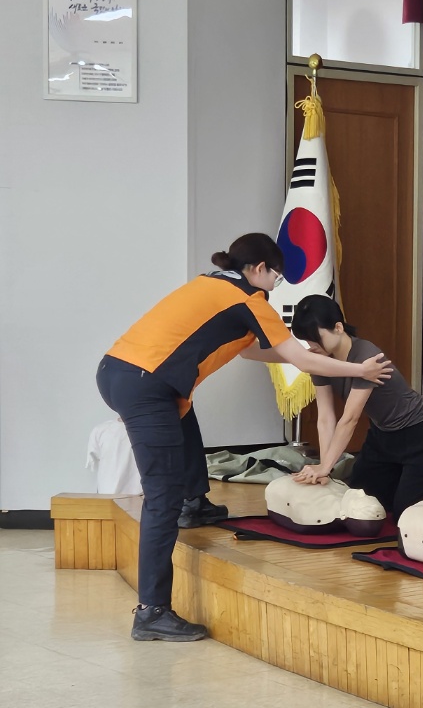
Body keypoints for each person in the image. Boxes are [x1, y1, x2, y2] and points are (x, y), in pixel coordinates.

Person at [97, 233, 393, 642]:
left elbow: (253, 351)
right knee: (161, 498)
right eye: (277, 277)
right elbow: (298, 358)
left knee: (184, 421)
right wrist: (359, 370)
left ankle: (195, 503)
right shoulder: (248, 300)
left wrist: (303, 356)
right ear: (259, 269)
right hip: (147, 386)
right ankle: (152, 611)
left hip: (120, 372)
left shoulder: (212, 283)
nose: (276, 285)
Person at [290, 294, 423, 520]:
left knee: (406, 514)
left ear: (338, 328)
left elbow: (350, 418)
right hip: (383, 437)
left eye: (315, 339)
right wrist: (326, 468)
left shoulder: (366, 357)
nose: (312, 347)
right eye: (307, 341)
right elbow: (325, 417)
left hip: (422, 434)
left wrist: (325, 466)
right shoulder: (320, 360)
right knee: (359, 502)